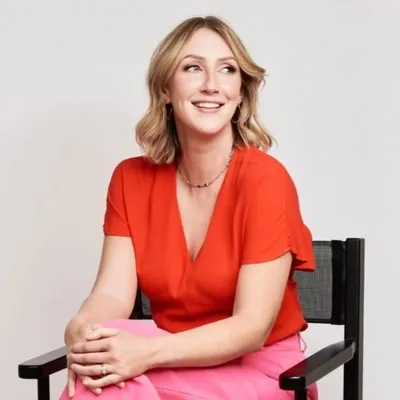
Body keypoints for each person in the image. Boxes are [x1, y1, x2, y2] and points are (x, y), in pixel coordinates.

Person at [60, 15, 318, 400]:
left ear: (241, 92)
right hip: (170, 361)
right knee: (104, 368)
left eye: (227, 70)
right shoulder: (131, 179)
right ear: (166, 88)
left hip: (262, 373)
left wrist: (143, 355)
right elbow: (111, 295)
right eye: (193, 68)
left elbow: (252, 328)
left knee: (103, 385)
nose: (212, 84)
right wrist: (83, 332)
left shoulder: (266, 180)